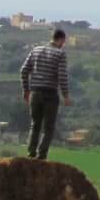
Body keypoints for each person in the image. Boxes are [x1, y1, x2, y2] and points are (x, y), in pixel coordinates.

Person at [19, 29, 71, 160]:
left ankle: (31, 153)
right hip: (50, 94)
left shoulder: (36, 50)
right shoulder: (60, 54)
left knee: (35, 124)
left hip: (35, 92)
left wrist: (26, 90)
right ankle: (42, 156)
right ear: (61, 40)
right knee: (48, 127)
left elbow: (24, 70)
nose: (63, 44)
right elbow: (62, 76)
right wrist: (66, 95)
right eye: (63, 41)